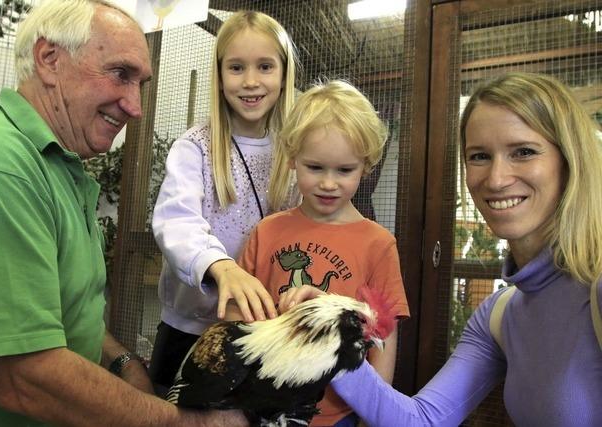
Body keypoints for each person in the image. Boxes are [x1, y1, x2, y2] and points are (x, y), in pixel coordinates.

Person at [0, 0, 246, 426]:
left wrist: (123, 362)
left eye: (140, 84)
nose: (134, 106)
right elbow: (24, 376)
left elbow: (63, 310)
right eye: (120, 73)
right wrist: (187, 423)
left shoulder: (59, 167)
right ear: (49, 59)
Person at [279, 72, 602, 426]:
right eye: (479, 156)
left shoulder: (594, 293)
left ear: (569, 161)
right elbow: (423, 420)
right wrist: (330, 332)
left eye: (523, 152)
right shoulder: (499, 315)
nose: (495, 179)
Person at [234, 80, 410, 427]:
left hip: (336, 412)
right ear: (292, 160)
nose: (329, 183)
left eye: (345, 170)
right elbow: (234, 312)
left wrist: (373, 413)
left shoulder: (378, 244)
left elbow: (384, 337)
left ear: (367, 165)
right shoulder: (267, 231)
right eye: (315, 167)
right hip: (264, 405)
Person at [149, 10, 298, 396]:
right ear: (218, 76)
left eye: (265, 66)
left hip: (260, 328)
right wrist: (222, 267)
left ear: (283, 76)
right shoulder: (195, 146)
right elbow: (175, 220)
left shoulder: (294, 152)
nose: (251, 81)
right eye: (236, 67)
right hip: (189, 327)